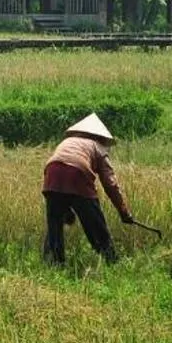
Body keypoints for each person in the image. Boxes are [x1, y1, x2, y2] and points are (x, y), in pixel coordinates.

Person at [42, 113, 136, 266]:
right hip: (78, 174)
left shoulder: (68, 141)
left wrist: (65, 210)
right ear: (101, 137)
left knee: (54, 225)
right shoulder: (98, 147)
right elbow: (110, 184)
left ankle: (53, 264)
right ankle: (112, 262)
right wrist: (124, 212)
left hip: (51, 173)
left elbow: (60, 168)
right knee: (95, 225)